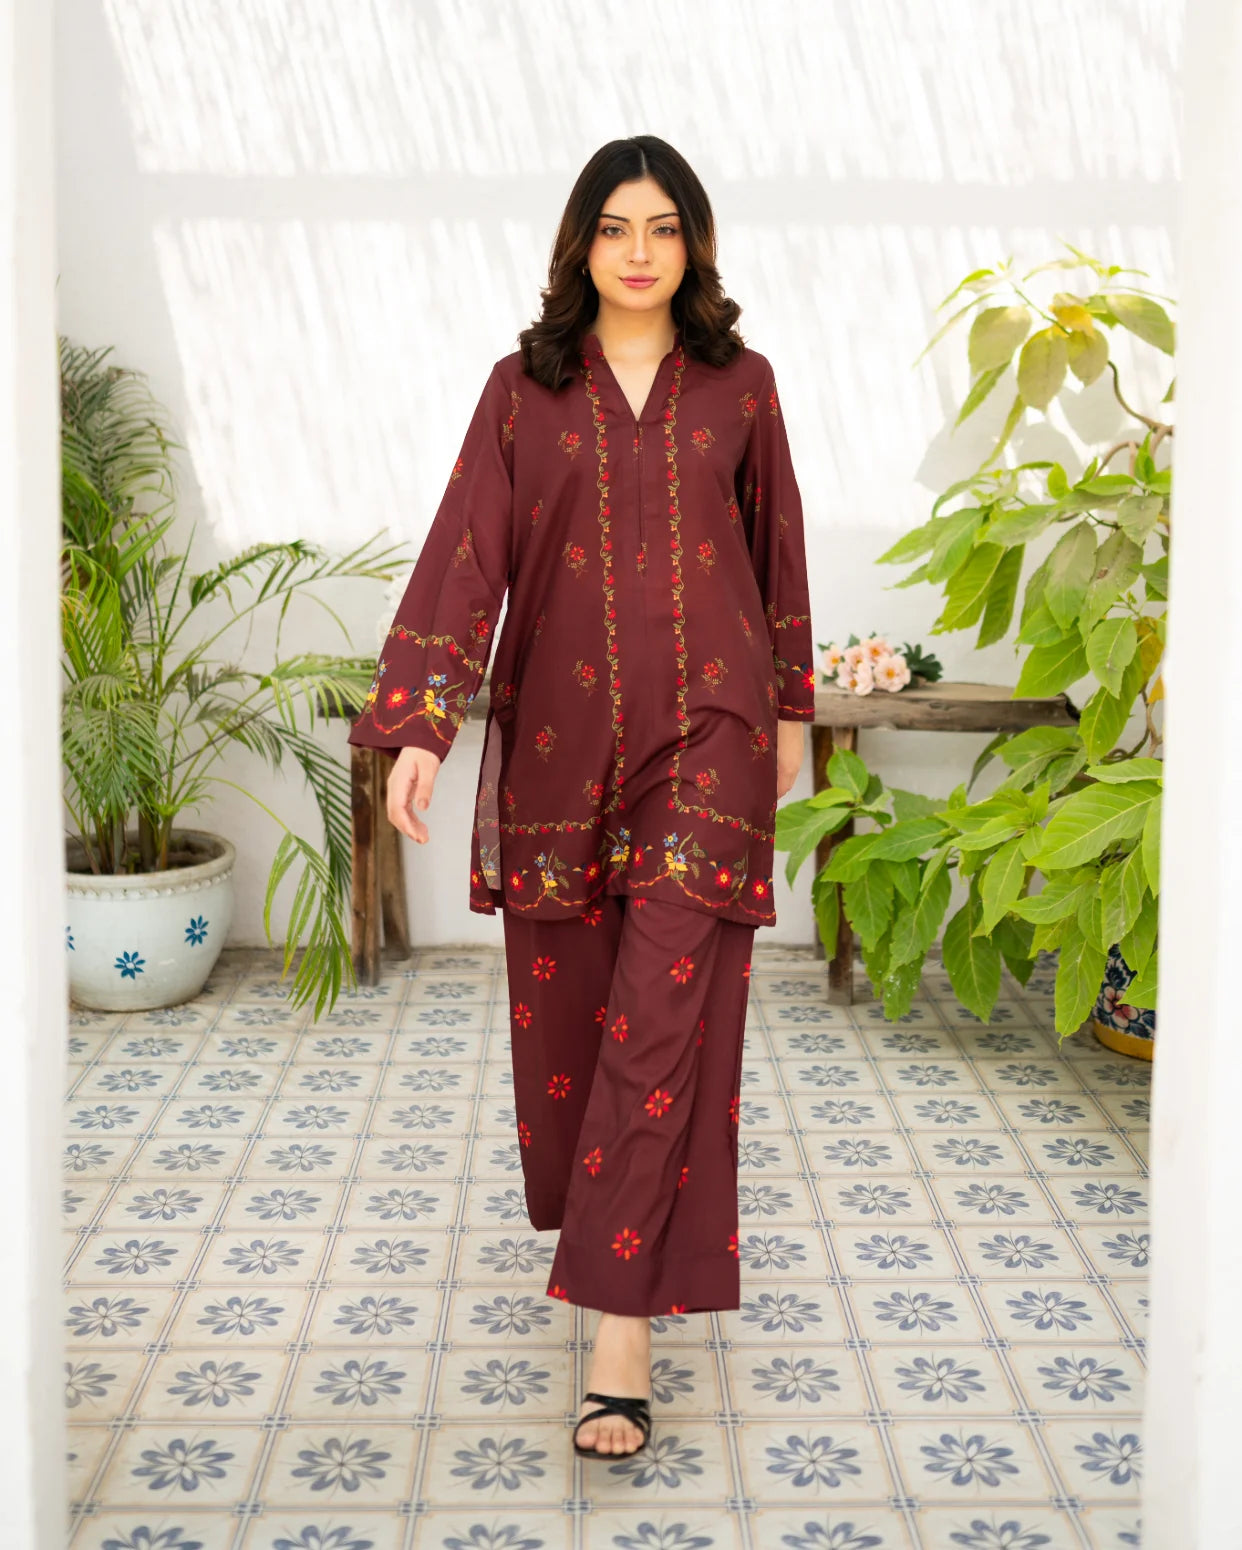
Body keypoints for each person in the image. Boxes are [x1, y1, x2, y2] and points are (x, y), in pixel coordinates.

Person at [347, 134, 815, 1459]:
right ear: (578, 245)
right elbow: (463, 558)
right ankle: (607, 1236)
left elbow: (776, 540)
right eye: (615, 226)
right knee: (576, 1024)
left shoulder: (741, 387)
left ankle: (619, 1334)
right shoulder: (522, 392)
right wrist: (422, 724)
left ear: (693, 245)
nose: (638, 250)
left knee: (665, 1014)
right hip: (558, 753)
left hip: (709, 743)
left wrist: (787, 704)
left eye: (663, 226)